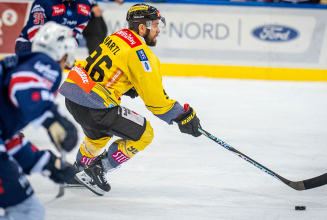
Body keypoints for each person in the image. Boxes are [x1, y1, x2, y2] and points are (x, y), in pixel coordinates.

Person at [59, 3, 202, 196]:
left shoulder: (118, 36)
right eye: (155, 25)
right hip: (95, 107)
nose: (158, 30)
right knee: (145, 134)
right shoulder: (142, 55)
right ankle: (97, 170)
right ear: (142, 27)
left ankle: (77, 171)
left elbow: (103, 69)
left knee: (98, 137)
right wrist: (182, 115)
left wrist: (127, 88)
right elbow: (156, 101)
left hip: (74, 97)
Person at [0, 21, 78, 220]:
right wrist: (52, 119)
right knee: (27, 212)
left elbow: (8, 138)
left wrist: (46, 163)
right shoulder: (44, 63)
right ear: (63, 53)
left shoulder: (22, 62)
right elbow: (22, 82)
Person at [15, 0, 92, 55]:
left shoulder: (85, 5)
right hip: (29, 44)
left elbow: (81, 24)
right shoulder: (43, 2)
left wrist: (72, 40)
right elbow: (35, 34)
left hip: (57, 48)